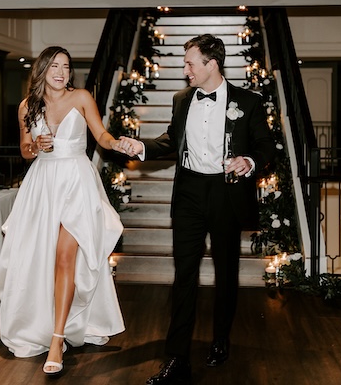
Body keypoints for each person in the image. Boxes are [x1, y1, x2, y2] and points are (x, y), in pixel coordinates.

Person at [118, 34, 276, 384]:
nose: (185, 69)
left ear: (211, 64)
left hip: (226, 193)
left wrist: (248, 160)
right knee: (184, 275)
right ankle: (177, 359)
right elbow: (171, 141)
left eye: (190, 63)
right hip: (189, 192)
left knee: (225, 273)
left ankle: (221, 339)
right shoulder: (181, 99)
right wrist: (140, 146)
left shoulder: (248, 102)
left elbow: (266, 146)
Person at [0, 46, 127, 375]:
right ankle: (45, 322)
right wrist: (35, 146)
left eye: (66, 67)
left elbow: (101, 135)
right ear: (41, 69)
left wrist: (118, 143)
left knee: (66, 254)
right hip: (42, 186)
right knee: (41, 257)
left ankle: (57, 340)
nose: (61, 72)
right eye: (54, 66)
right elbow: (25, 150)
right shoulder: (27, 106)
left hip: (76, 184)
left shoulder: (81, 97)